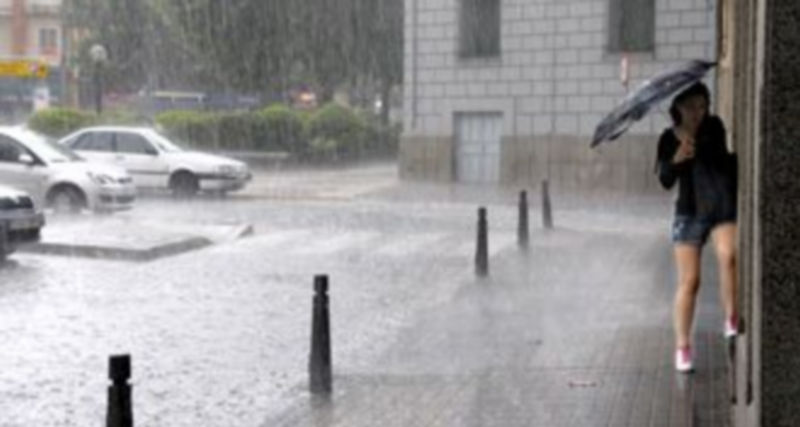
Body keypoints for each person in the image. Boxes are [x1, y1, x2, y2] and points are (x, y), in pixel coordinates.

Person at [656, 82, 738, 373]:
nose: (698, 112)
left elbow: (719, 158)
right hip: (689, 212)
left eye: (702, 106)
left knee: (729, 255)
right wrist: (676, 159)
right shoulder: (667, 138)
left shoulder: (713, 126)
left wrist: (695, 143)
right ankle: (683, 347)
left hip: (719, 206)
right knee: (690, 282)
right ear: (678, 108)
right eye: (691, 107)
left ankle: (731, 318)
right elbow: (664, 179)